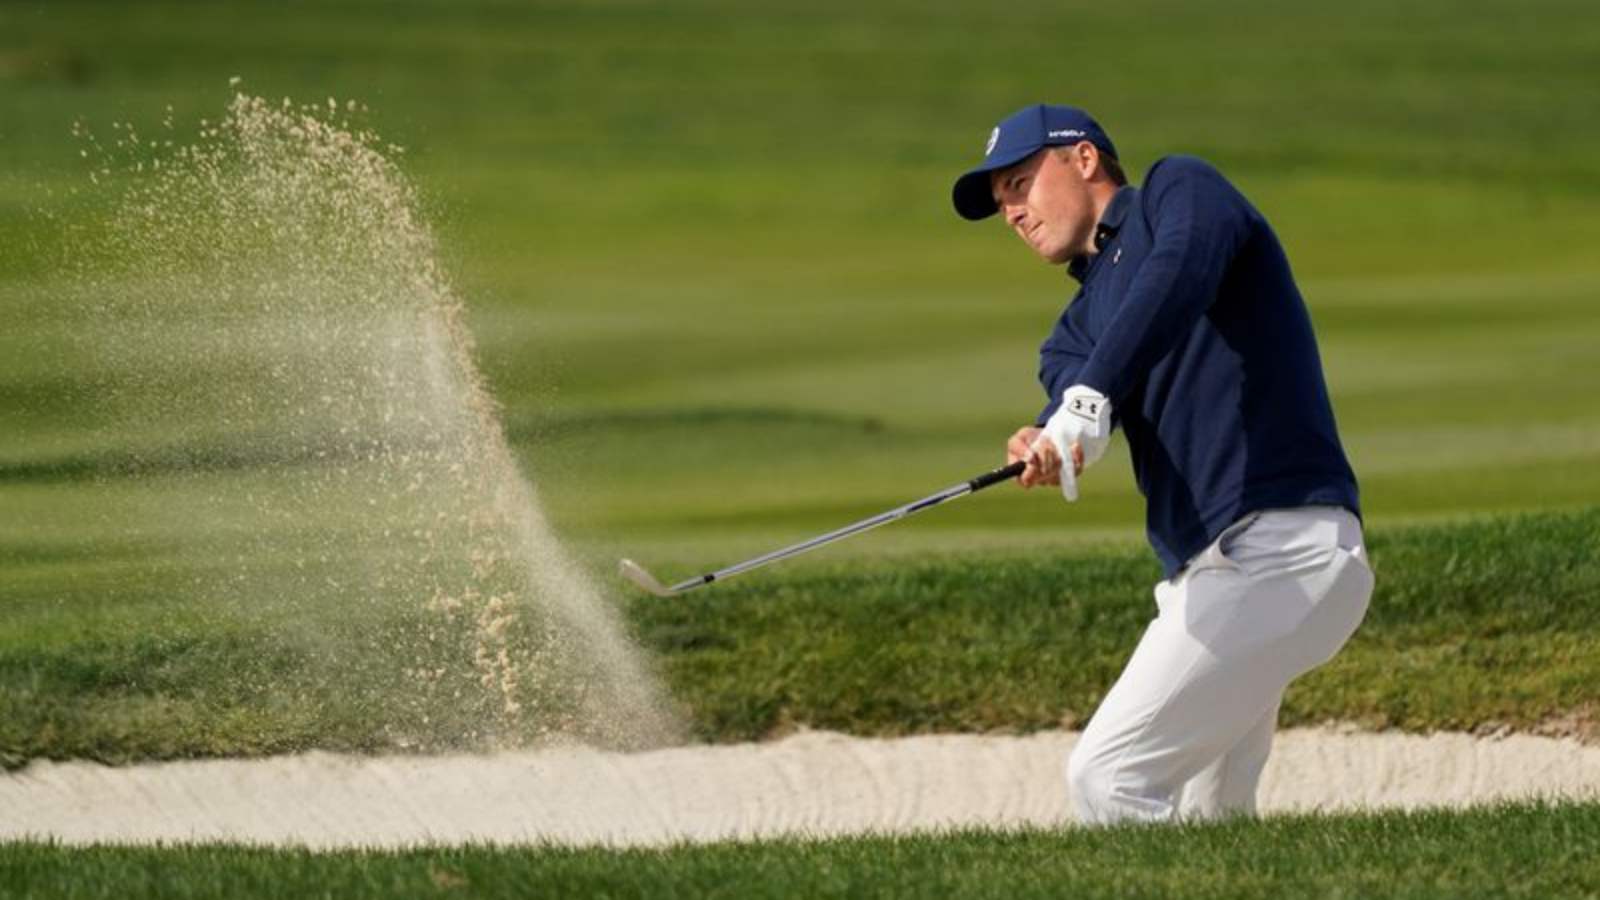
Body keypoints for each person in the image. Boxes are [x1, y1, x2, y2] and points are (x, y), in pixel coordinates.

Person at [950, 103, 1374, 824]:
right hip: (1206, 584)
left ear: (1083, 159)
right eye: (1001, 205)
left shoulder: (1182, 192)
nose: (1012, 213)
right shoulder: (1071, 336)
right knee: (1213, 820)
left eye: (1020, 182)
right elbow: (1081, 407)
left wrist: (1087, 399)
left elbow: (1181, 269)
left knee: (1106, 778)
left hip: (1279, 552)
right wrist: (1054, 436)